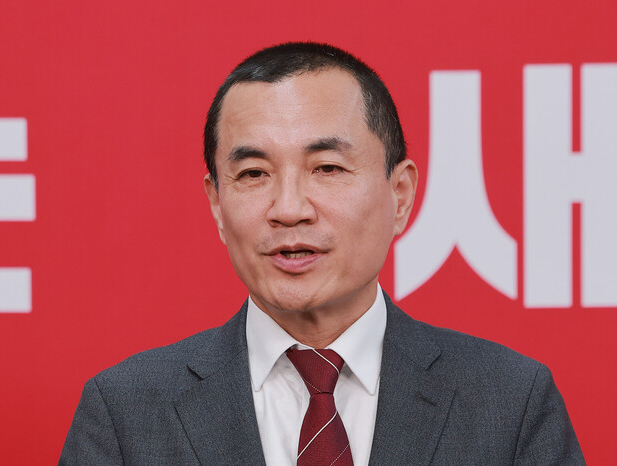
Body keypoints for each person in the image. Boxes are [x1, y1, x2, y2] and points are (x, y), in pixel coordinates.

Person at [60, 42, 585, 465]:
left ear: (400, 196)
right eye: (253, 174)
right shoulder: (125, 412)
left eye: (327, 168)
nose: (289, 210)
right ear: (217, 204)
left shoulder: (510, 402)